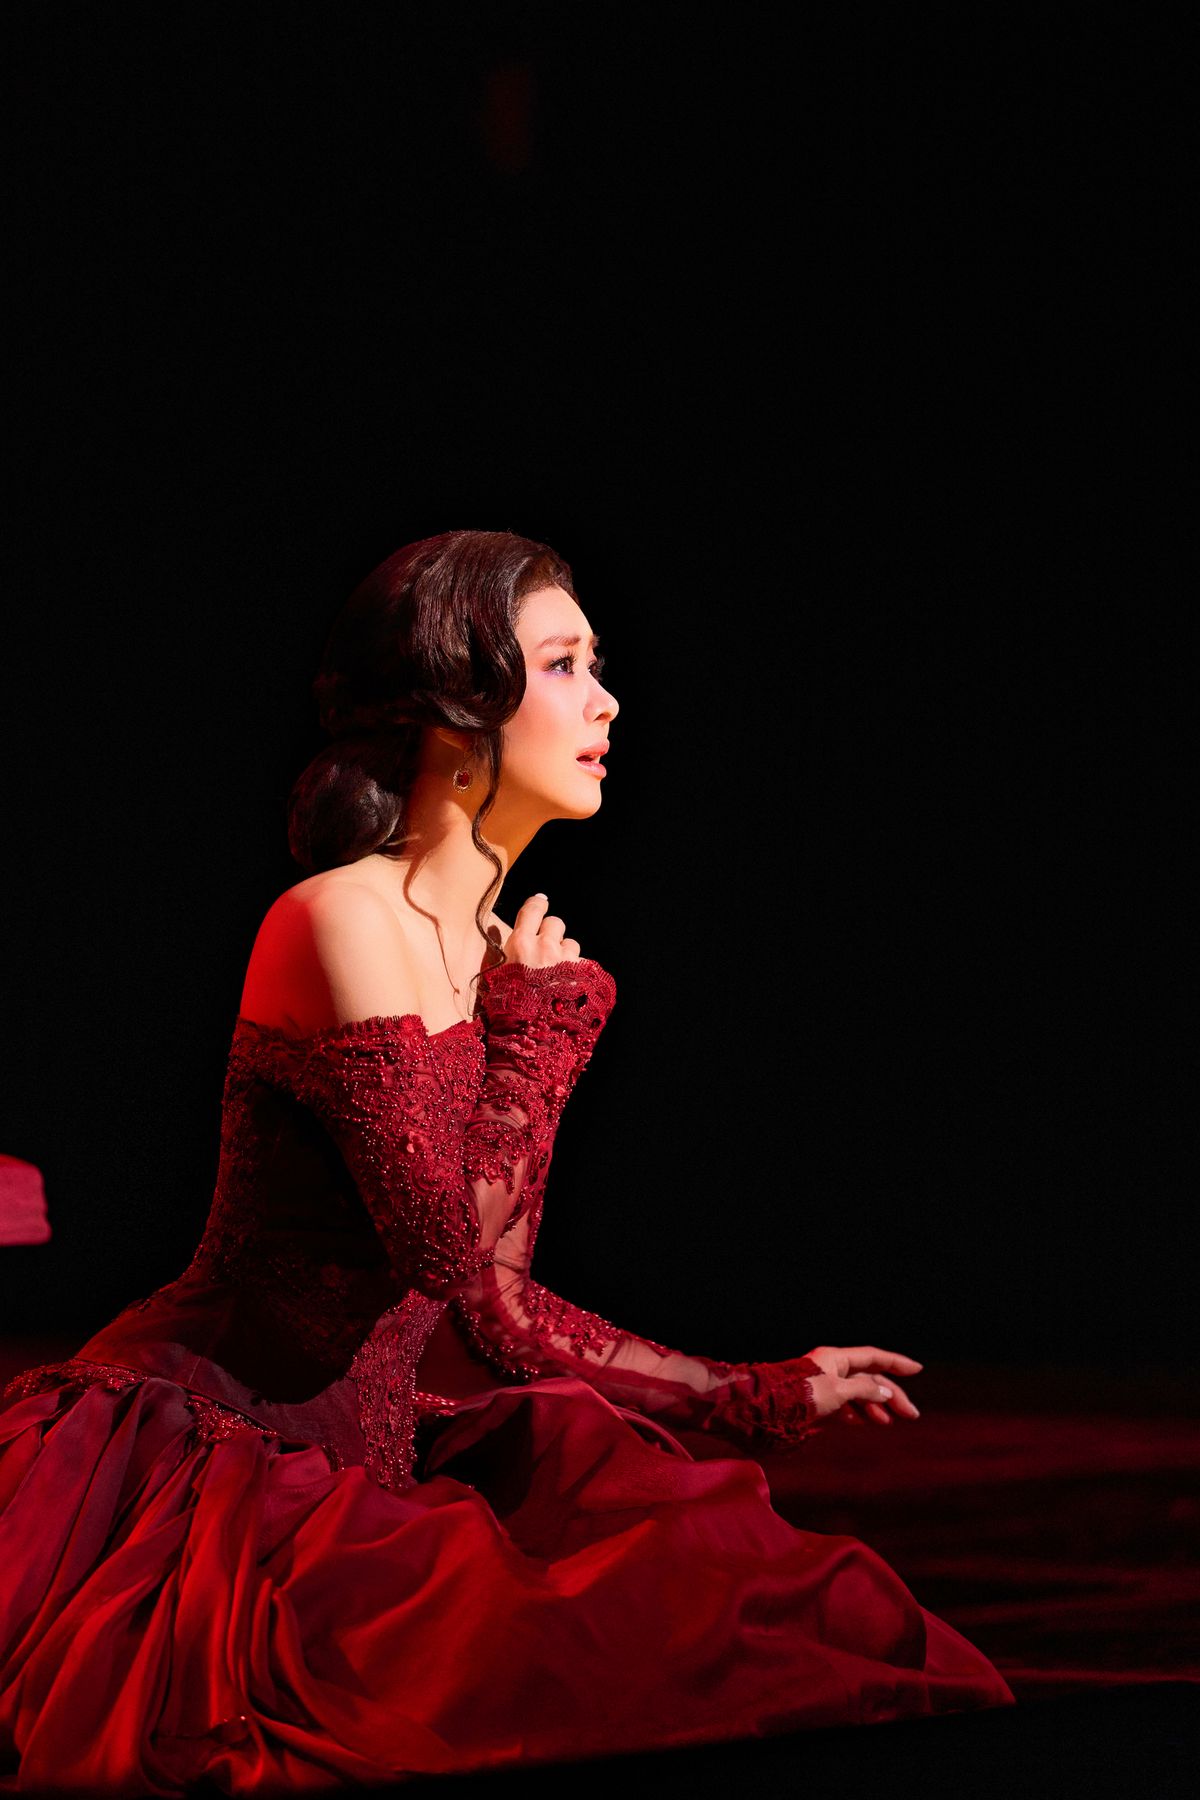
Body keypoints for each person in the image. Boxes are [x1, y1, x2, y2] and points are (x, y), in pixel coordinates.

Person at [0, 529, 1014, 1794]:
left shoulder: (489, 947)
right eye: (565, 665)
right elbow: (439, 1241)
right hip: (208, 1445)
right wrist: (537, 1044)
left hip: (362, 1462)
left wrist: (760, 1392)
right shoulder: (337, 916)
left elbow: (497, 1308)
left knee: (766, 1615)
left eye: (597, 664)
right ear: (459, 708)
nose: (608, 701)